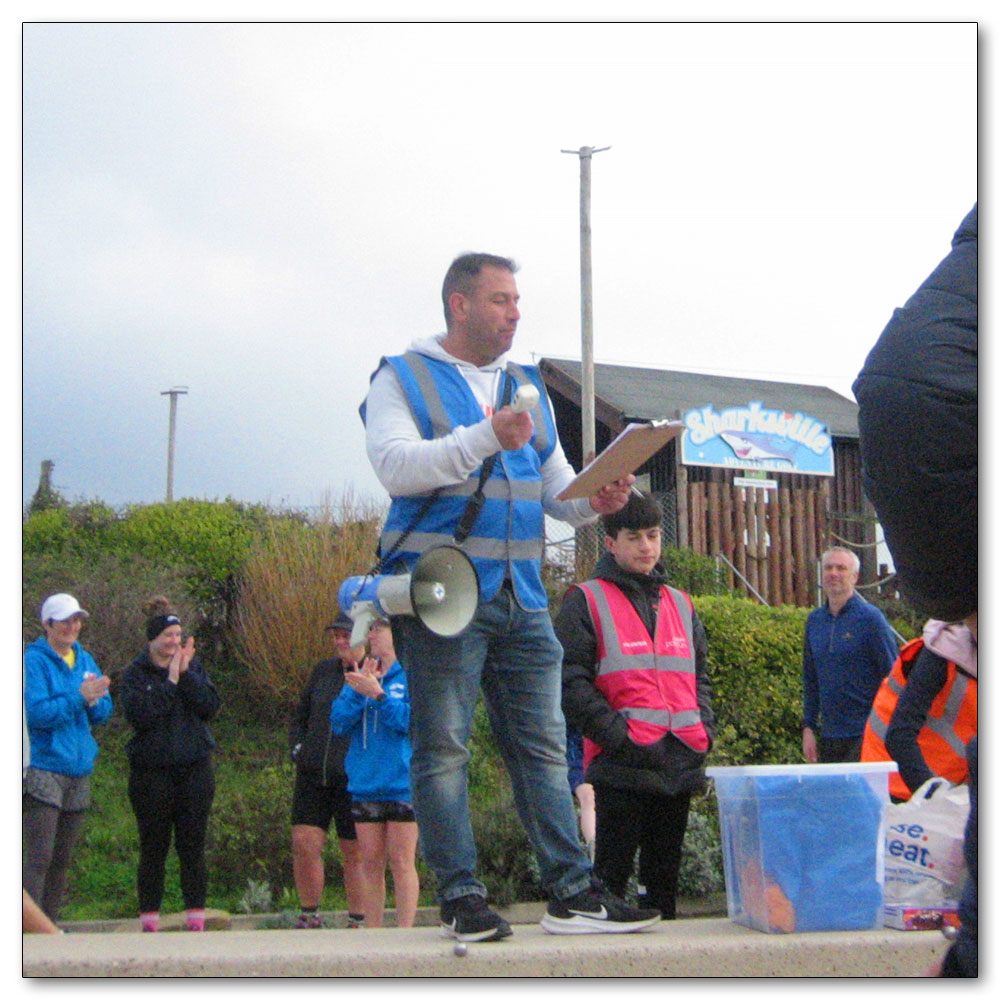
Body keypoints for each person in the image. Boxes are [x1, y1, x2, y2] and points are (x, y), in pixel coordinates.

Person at [360, 251, 660, 941]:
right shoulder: (400, 376)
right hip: (442, 595)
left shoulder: (526, 382)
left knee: (545, 747)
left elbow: (557, 493)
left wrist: (599, 499)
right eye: (500, 299)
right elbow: (395, 467)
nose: (515, 311)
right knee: (442, 749)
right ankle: (462, 899)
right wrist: (482, 436)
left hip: (524, 596)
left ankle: (573, 892)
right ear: (458, 305)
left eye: (517, 299)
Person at [853, 206, 977, 977]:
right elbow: (901, 734)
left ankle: (969, 957)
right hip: (956, 416)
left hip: (897, 416)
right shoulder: (929, 659)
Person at [556, 493, 715, 920]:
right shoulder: (585, 600)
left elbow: (701, 678)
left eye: (653, 535)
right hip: (621, 765)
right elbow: (570, 682)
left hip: (678, 759)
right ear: (610, 542)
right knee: (610, 886)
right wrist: (618, 737)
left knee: (663, 895)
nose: (647, 546)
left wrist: (704, 731)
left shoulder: (681, 602)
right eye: (634, 537)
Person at [119, 596, 220, 932]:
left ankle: (196, 918)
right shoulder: (135, 673)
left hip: (194, 769)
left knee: (192, 846)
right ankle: (149, 920)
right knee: (154, 846)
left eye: (178, 636)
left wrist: (187, 674)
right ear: (153, 639)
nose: (174, 642)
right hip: (152, 774)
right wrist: (171, 681)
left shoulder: (193, 666)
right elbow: (142, 716)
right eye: (168, 636)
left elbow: (209, 707)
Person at [23, 593, 112, 923]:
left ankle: (50, 925)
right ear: (47, 624)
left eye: (76, 621)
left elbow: (104, 711)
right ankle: (28, 929)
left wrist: (94, 702)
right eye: (65, 621)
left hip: (79, 767)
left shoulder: (84, 659)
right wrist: (78, 698)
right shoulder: (34, 661)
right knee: (39, 856)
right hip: (45, 766)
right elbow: (36, 713)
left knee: (62, 858)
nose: (72, 627)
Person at [329, 617, 419, 928]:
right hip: (365, 783)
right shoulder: (362, 672)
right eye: (370, 631)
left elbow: (408, 722)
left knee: (402, 861)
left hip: (401, 782)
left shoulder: (407, 675)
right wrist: (361, 690)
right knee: (370, 863)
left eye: (379, 630)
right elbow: (339, 721)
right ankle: (374, 931)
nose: (372, 636)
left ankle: (405, 930)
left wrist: (379, 695)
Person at [289, 611, 367, 929]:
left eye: (345, 635)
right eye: (335, 635)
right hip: (313, 773)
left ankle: (358, 918)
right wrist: (298, 749)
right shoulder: (323, 672)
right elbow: (300, 716)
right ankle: (309, 913)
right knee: (304, 842)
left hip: (354, 778)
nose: (339, 641)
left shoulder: (375, 672)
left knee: (355, 850)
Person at [861, 617, 976, 802]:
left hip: (944, 785)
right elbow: (900, 735)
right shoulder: (941, 654)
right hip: (894, 781)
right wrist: (935, 802)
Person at [801, 547, 898, 763]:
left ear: (854, 577)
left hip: (866, 735)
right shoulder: (814, 622)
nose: (833, 573)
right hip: (829, 736)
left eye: (841, 568)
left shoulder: (871, 619)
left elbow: (893, 676)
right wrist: (808, 728)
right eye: (828, 568)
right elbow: (810, 679)